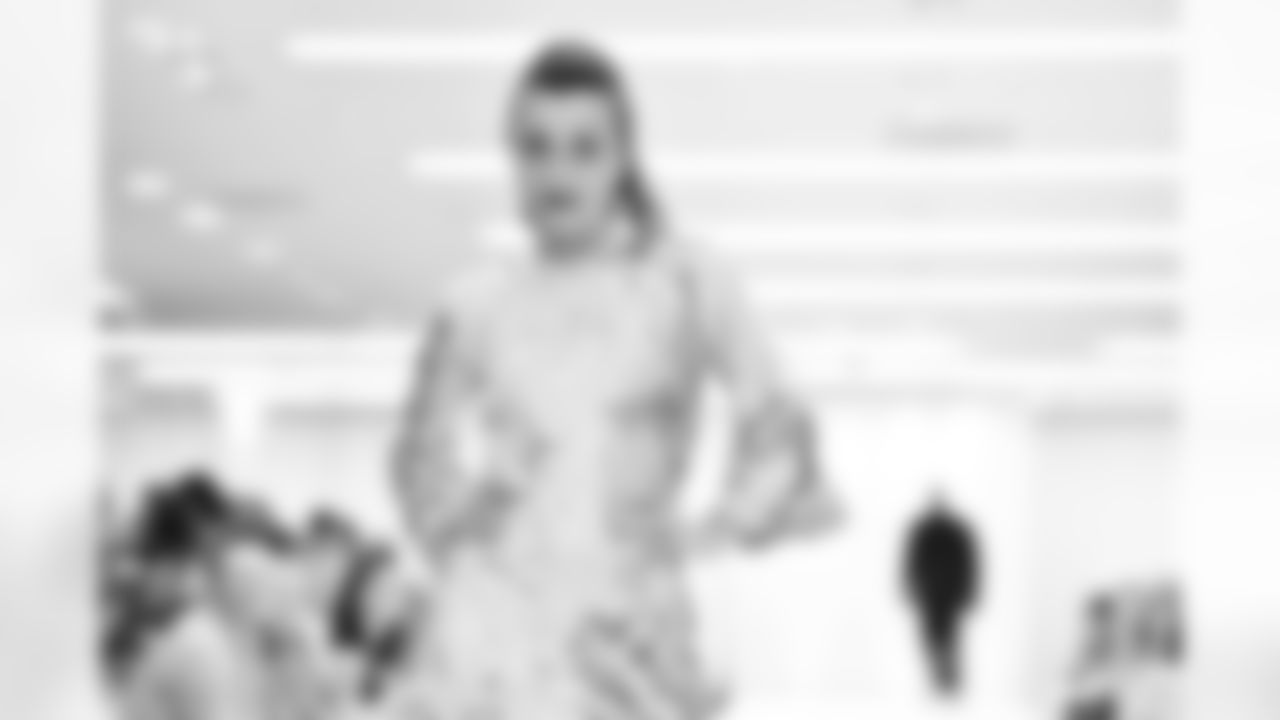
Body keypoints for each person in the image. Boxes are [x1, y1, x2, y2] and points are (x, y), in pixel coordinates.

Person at [390, 37, 844, 720]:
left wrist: (710, 530)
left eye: (584, 148)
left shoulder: (686, 281)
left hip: (627, 649)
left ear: (623, 157)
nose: (557, 172)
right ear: (512, 158)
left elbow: (779, 422)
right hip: (488, 655)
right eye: (536, 147)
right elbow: (419, 476)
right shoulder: (474, 303)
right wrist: (481, 504)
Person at [903, 489, 981, 698]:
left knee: (949, 637)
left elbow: (967, 563)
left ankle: (948, 681)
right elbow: (912, 562)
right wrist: (911, 588)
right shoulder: (924, 531)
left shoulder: (953, 531)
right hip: (930, 593)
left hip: (948, 593)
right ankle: (939, 680)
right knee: (933, 637)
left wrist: (968, 591)